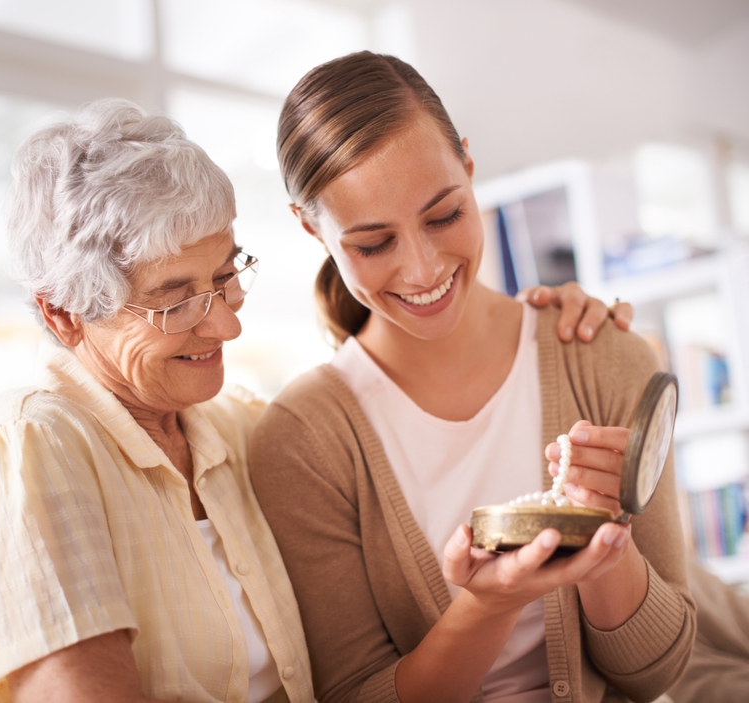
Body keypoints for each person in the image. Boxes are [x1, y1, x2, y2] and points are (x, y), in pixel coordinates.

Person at [0, 97, 629, 703]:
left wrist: (535, 323)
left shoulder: (238, 431)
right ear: (63, 316)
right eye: (176, 303)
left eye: (227, 277)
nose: (227, 323)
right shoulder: (31, 441)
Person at [248, 52, 696, 703]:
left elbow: (659, 670)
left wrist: (606, 551)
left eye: (443, 215)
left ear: (467, 162)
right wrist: (487, 605)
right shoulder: (302, 438)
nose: (423, 269)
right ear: (310, 226)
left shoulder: (603, 355)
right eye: (374, 244)